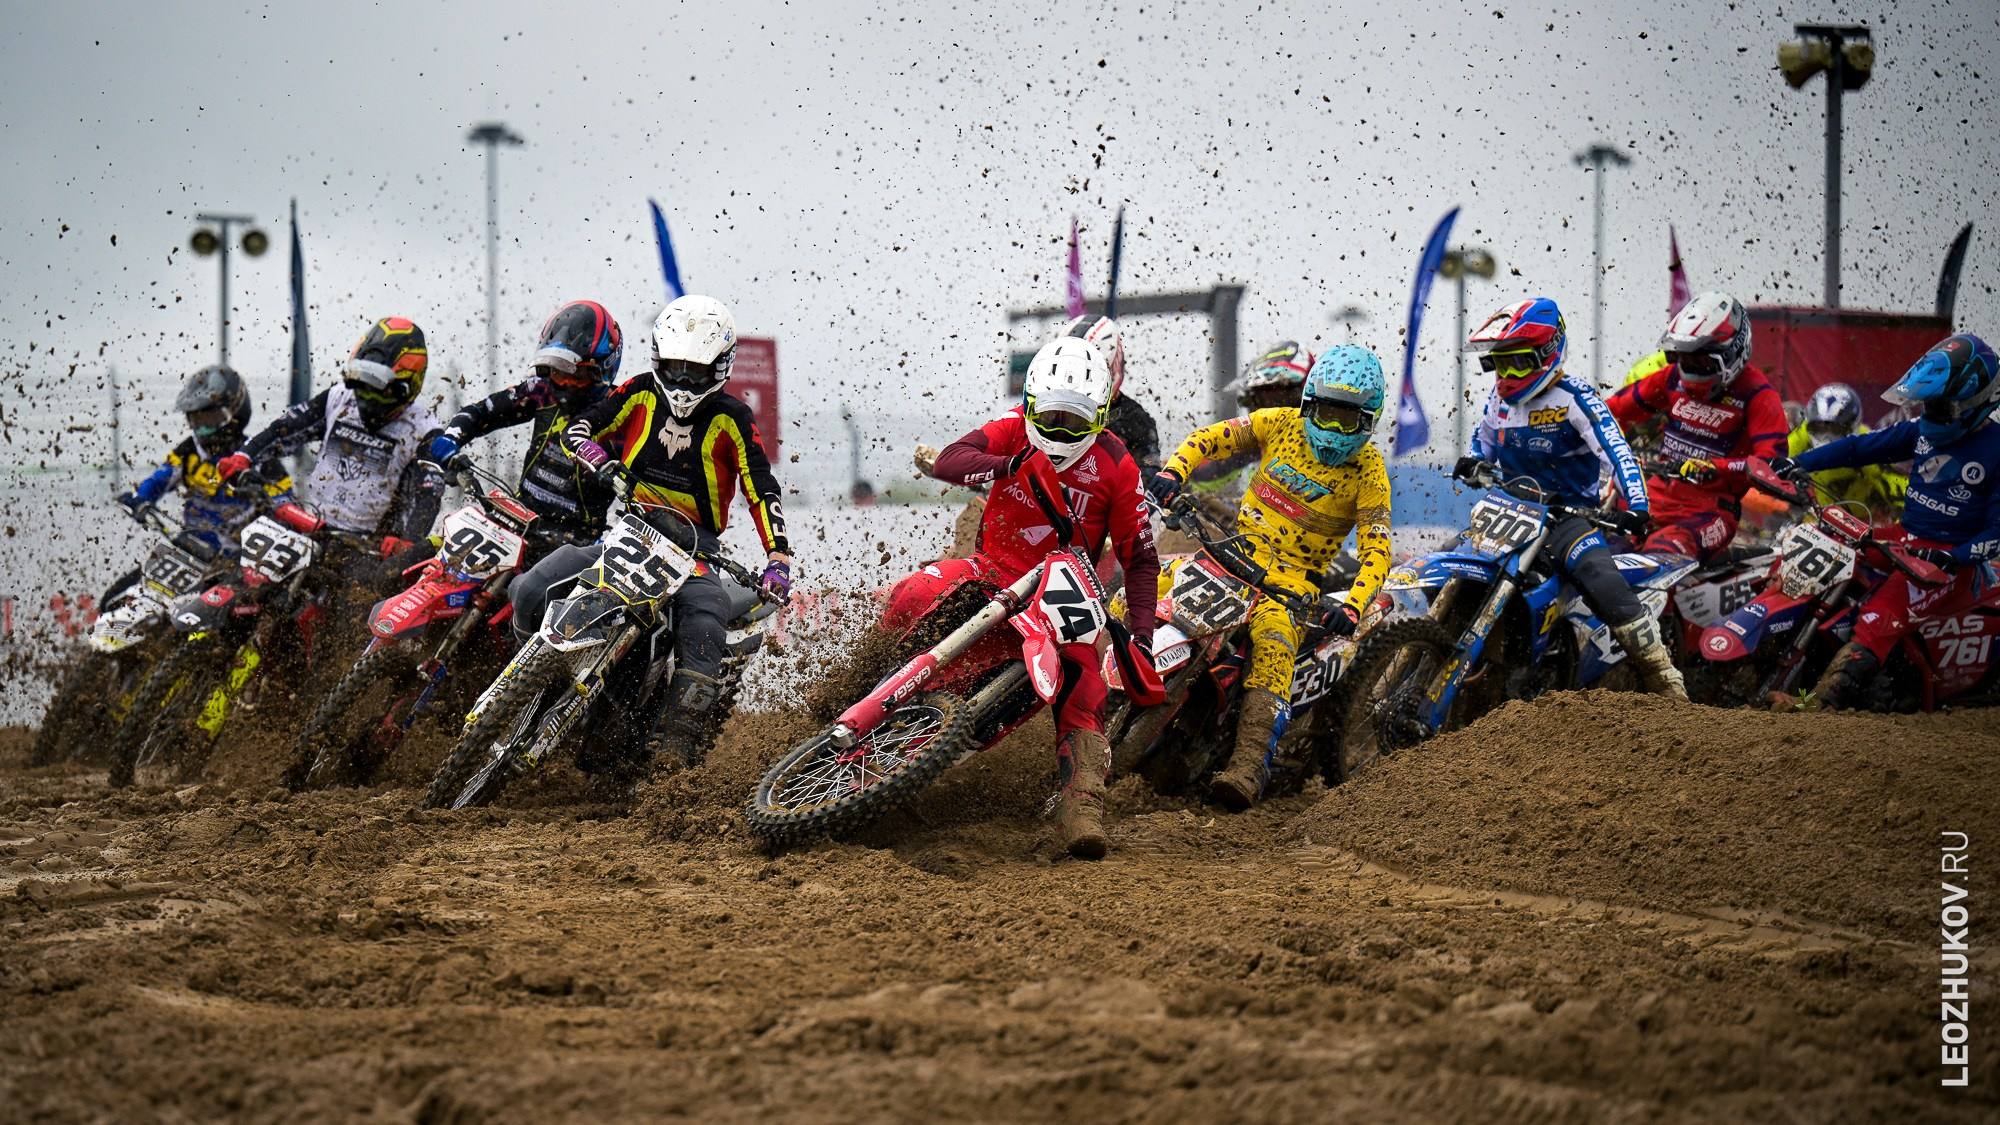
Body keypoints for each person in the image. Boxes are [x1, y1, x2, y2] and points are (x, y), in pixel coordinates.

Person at [514, 295, 791, 773]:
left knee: (704, 623)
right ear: (659, 359)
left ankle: (672, 753)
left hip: (695, 550)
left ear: (720, 367)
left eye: (695, 371)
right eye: (675, 367)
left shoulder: (733, 418)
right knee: (531, 587)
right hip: (629, 532)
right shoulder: (640, 391)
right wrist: (598, 458)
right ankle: (529, 685)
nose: (683, 381)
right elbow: (579, 427)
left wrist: (778, 558)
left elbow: (761, 490)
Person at [915, 334, 1159, 858]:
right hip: (992, 569)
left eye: (1076, 422)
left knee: (1086, 685)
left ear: (1100, 415)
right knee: (920, 588)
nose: (1061, 432)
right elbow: (950, 460)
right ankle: (858, 679)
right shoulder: (1010, 429)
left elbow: (1139, 558)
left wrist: (1140, 636)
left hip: (1063, 592)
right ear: (1030, 405)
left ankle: (1081, 809)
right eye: (1051, 418)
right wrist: (1005, 466)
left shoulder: (1118, 466)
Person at [1147, 344, 1393, 809]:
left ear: (1368, 420)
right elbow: (1209, 439)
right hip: (1232, 553)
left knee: (1274, 652)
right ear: (1309, 404)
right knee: (1136, 593)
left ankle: (1247, 768)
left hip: (1292, 588)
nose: (1333, 429)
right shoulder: (1280, 423)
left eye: (1347, 420)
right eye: (1326, 414)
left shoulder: (1369, 471)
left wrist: (1352, 604)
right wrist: (1173, 472)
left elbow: (1378, 550)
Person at [1457, 298, 1686, 700]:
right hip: (1508, 513)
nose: (1506, 376)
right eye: (1499, 364)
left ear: (1548, 354)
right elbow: (1483, 443)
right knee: (1453, 558)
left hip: (1565, 518)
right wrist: (1474, 462)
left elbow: (1616, 451)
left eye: (1518, 363)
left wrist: (1638, 507)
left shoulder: (1574, 397)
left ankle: (1665, 681)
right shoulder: (1498, 402)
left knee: (1601, 576)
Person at [1776, 334, 2000, 710]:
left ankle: (1820, 709)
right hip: (1905, 538)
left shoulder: (1995, 449)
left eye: (1940, 408)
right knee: (1824, 553)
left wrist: (1957, 557)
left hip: (1945, 560)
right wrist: (1801, 463)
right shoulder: (1922, 431)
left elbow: (1997, 532)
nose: (1929, 415)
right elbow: (1858, 448)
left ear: (1974, 401)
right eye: (1927, 405)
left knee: (1881, 613)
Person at [218, 317, 445, 585]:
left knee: (348, 616)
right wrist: (244, 456)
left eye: (376, 391)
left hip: (368, 547)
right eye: (361, 386)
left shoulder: (424, 429)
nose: (365, 399)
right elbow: (284, 429)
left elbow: (429, 496)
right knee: (242, 578)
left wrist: (408, 541)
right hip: (310, 525)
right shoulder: (339, 398)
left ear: (406, 387)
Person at [1607, 292, 1789, 563]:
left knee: (1659, 556)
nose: (1689, 368)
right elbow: (1609, 413)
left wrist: (1716, 467)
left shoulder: (1758, 395)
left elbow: (1772, 465)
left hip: (1711, 512)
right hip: (1652, 498)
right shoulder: (1670, 379)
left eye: (1700, 361)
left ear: (1731, 352)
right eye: (1683, 358)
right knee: (1597, 550)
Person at [423, 300, 626, 541]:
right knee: (433, 551)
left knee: (521, 582)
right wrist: (451, 438)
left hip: (574, 544)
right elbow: (480, 412)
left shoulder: (623, 413)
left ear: (603, 369)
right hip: (517, 521)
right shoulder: (542, 390)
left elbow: (645, 488)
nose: (564, 383)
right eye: (556, 371)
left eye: (576, 374)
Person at [110, 365, 293, 599]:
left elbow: (288, 510)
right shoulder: (189, 451)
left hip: (235, 565)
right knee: (115, 598)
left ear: (235, 413)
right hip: (188, 551)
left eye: (210, 418)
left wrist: (267, 503)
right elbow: (160, 479)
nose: (203, 428)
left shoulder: (262, 459)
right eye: (196, 420)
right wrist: (139, 499)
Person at [1183, 341, 1316, 510]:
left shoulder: (1334, 446)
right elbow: (1204, 476)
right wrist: (1174, 473)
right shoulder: (1255, 445)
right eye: (1261, 401)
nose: (1271, 412)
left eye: (1278, 399)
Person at [1787, 382, 1906, 520]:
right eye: (1820, 427)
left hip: (1861, 522)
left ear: (1852, 427)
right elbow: (1772, 468)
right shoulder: (1798, 439)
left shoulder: (1865, 442)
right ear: (1810, 423)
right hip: (1815, 519)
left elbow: (1895, 483)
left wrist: (1903, 521)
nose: (1827, 436)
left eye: (1835, 429)